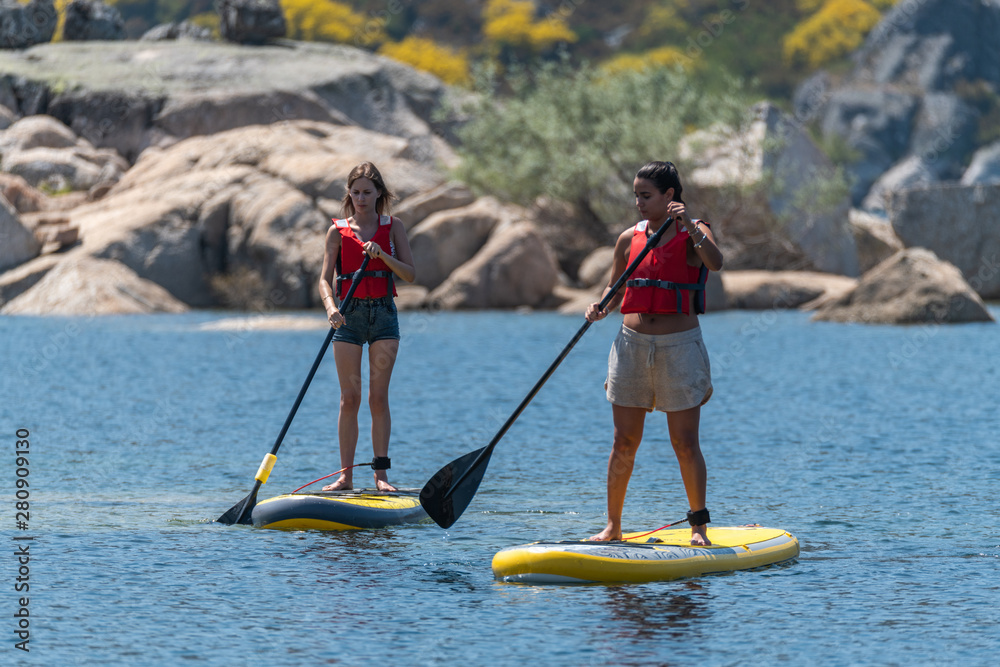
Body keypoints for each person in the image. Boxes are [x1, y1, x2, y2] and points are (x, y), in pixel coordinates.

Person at [585, 161, 723, 546]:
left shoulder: (695, 232)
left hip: (679, 349)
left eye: (646, 196)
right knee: (623, 441)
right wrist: (598, 308)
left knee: (684, 442)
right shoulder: (629, 238)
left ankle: (698, 527)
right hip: (630, 346)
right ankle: (613, 527)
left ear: (670, 196)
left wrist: (692, 225)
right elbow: (614, 291)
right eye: (636, 195)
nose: (638, 203)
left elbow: (716, 261)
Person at [318, 162, 416, 492]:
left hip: (383, 316)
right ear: (349, 194)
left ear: (379, 194)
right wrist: (331, 308)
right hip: (348, 316)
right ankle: (345, 476)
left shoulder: (393, 227)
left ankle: (381, 476)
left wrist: (381, 256)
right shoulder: (337, 231)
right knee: (349, 398)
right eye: (355, 192)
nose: (361, 198)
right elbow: (324, 280)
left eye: (367, 192)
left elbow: (410, 274)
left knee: (378, 398)